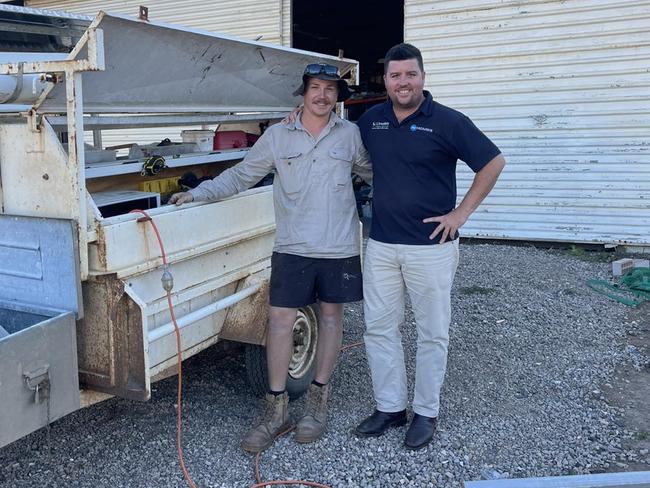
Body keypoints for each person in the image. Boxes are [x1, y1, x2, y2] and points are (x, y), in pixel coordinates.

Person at [170, 63, 371, 453]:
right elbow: (242, 175)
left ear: (337, 97)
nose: (322, 95)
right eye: (315, 87)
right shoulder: (278, 136)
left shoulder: (351, 135)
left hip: (339, 245)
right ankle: (274, 410)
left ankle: (317, 405)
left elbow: (375, 172)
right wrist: (199, 193)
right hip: (293, 246)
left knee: (331, 318)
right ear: (303, 92)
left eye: (330, 89)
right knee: (279, 322)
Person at [353, 43, 505, 450]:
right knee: (379, 329)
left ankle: (425, 412)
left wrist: (460, 215)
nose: (403, 83)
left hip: (430, 247)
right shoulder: (371, 121)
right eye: (395, 75)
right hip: (382, 244)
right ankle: (390, 407)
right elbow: (338, 141)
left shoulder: (449, 122)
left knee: (431, 332)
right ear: (385, 80)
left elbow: (493, 162)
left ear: (423, 77)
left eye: (410, 75)